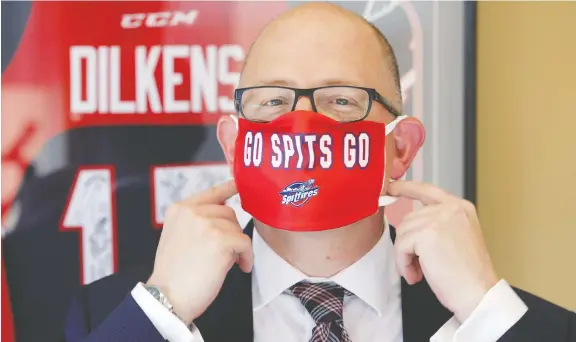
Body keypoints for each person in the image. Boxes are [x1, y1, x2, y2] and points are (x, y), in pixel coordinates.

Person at [63, 3, 575, 342]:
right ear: (233, 144)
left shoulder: (497, 320)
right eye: (272, 100)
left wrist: (489, 316)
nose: (302, 125)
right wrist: (162, 311)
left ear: (400, 148)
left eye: (342, 100)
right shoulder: (120, 316)